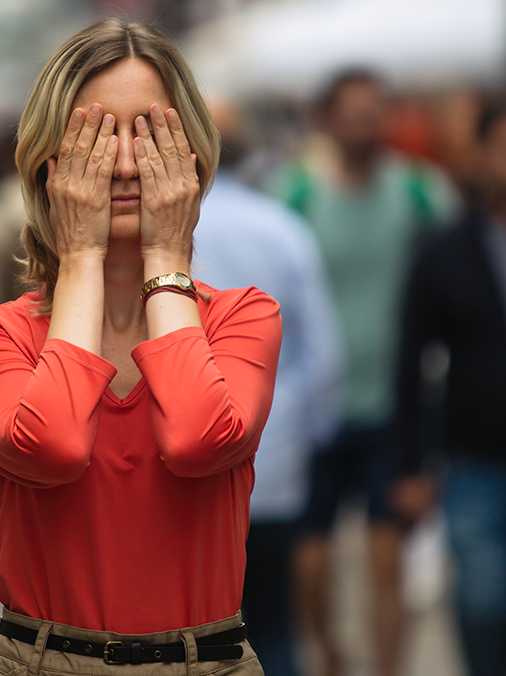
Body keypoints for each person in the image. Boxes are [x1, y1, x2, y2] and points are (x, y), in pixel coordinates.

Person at [0, 18, 282, 676]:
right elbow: (54, 445)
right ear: (50, 158)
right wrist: (79, 261)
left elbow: (197, 439)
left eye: (150, 133)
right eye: (99, 135)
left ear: (192, 152)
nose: (126, 163)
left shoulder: (245, 317)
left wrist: (165, 255)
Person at [267, 68, 460, 676]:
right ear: (326, 119)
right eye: (350, 112)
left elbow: (458, 270)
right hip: (315, 411)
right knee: (310, 568)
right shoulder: (295, 194)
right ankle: (328, 656)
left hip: (392, 408)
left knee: (386, 561)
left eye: (374, 111)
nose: (363, 124)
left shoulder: (421, 192)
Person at [393, 95, 506, 676]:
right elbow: (409, 362)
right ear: (483, 156)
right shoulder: (444, 252)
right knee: (486, 604)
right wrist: (411, 467)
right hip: (476, 466)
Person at [194, 104, 342, 676]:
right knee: (274, 624)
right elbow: (323, 352)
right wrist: (314, 436)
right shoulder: (282, 228)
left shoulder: (143, 236)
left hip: (183, 477)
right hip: (273, 461)